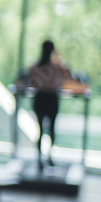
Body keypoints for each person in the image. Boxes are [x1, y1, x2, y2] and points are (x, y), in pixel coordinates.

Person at [27, 40, 84, 170]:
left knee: (41, 129)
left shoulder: (36, 67)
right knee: (50, 128)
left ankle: (40, 158)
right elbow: (69, 76)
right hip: (50, 98)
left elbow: (32, 82)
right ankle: (48, 156)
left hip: (41, 98)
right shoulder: (57, 68)